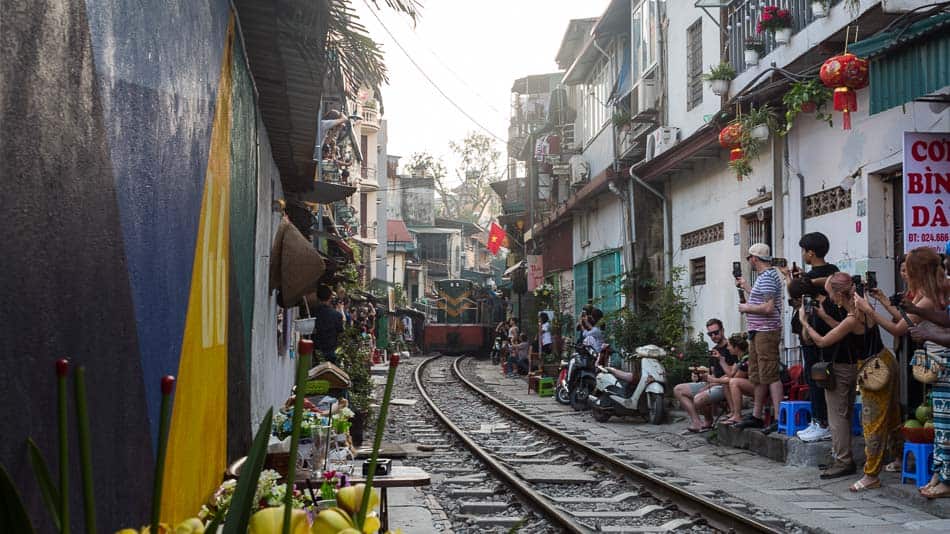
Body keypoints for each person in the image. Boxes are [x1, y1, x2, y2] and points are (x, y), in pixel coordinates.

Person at [857, 247, 949, 498]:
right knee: (940, 423)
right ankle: (938, 474)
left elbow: (899, 329)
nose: (905, 274)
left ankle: (944, 478)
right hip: (934, 363)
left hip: (942, 361)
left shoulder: (931, 296)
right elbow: (907, 319)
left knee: (944, 425)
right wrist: (886, 302)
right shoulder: (928, 294)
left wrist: (869, 310)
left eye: (908, 269)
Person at [780, 232, 839, 442]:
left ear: (811, 252)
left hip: (816, 331)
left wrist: (791, 279)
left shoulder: (818, 277)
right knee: (819, 377)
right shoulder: (832, 273)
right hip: (824, 331)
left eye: (804, 251)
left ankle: (821, 422)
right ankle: (820, 421)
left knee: (817, 378)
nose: (803, 254)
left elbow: (795, 294)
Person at [735, 244, 784, 431]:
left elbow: (768, 307)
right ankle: (757, 415)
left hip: (766, 331)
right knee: (757, 375)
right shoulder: (764, 278)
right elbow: (761, 299)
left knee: (770, 373)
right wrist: (746, 287)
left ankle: (779, 417)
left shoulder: (769, 277)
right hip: (757, 331)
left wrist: (746, 308)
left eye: (749, 258)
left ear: (754, 258)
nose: (749, 261)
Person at [673, 319, 737, 432]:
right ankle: (697, 422)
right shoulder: (714, 350)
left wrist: (710, 383)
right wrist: (700, 376)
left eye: (716, 333)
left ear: (722, 330)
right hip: (712, 383)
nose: (713, 336)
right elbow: (712, 372)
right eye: (710, 334)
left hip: (724, 385)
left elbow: (733, 375)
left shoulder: (730, 348)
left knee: (698, 399)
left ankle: (708, 420)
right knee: (678, 389)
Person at [312, 285, 344, 364]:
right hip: (330, 351)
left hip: (314, 350)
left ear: (317, 297)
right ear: (330, 297)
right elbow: (340, 330)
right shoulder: (337, 315)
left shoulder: (311, 313)